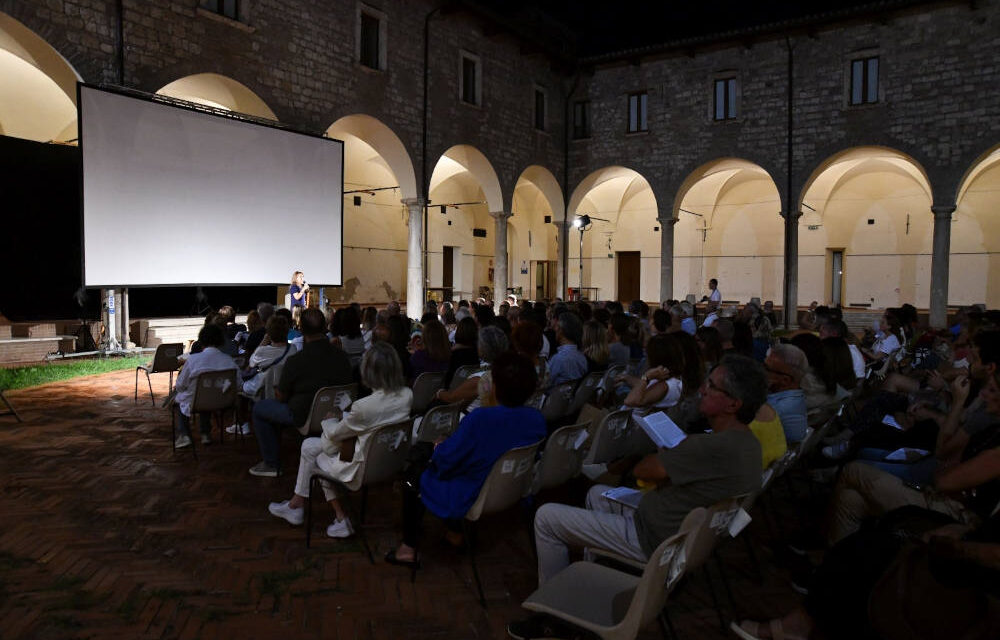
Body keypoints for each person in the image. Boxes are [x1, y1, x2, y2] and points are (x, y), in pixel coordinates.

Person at [508, 354, 765, 638]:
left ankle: (552, 617)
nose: (703, 388)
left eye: (712, 386)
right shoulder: (750, 446)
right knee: (596, 493)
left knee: (546, 518)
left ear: (733, 404)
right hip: (672, 526)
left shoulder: (709, 446)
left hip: (653, 538)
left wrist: (671, 454)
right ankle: (588, 582)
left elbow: (646, 469)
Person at [385, 352, 546, 566]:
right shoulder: (536, 419)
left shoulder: (481, 419)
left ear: (496, 386)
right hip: (511, 488)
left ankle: (408, 548)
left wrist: (438, 446)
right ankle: (454, 533)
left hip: (472, 491)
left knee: (415, 473)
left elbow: (445, 460)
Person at [266, 342, 413, 538]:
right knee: (309, 447)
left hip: (362, 465)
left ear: (368, 371)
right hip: (387, 459)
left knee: (316, 456)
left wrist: (330, 420)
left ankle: (340, 517)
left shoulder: (364, 407)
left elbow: (335, 434)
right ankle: (297, 504)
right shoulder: (407, 395)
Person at [248, 308, 353, 477]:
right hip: (337, 413)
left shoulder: (296, 361)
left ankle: (270, 463)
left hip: (303, 416)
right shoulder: (342, 356)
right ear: (325, 327)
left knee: (260, 408)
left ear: (301, 329)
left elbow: (281, 397)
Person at [171, 323, 239, 448]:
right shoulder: (229, 360)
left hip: (198, 401)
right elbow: (239, 384)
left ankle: (184, 435)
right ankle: (205, 434)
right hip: (223, 402)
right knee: (206, 393)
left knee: (183, 398)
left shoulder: (193, 360)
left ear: (201, 340)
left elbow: (180, 385)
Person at [764, 343, 811, 443]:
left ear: (785, 380)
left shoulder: (776, 410)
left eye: (766, 369)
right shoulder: (796, 395)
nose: (761, 371)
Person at [546, 311, 587, 389]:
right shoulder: (582, 357)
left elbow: (547, 384)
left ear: (561, 330)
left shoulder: (558, 359)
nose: (554, 329)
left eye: (557, 326)